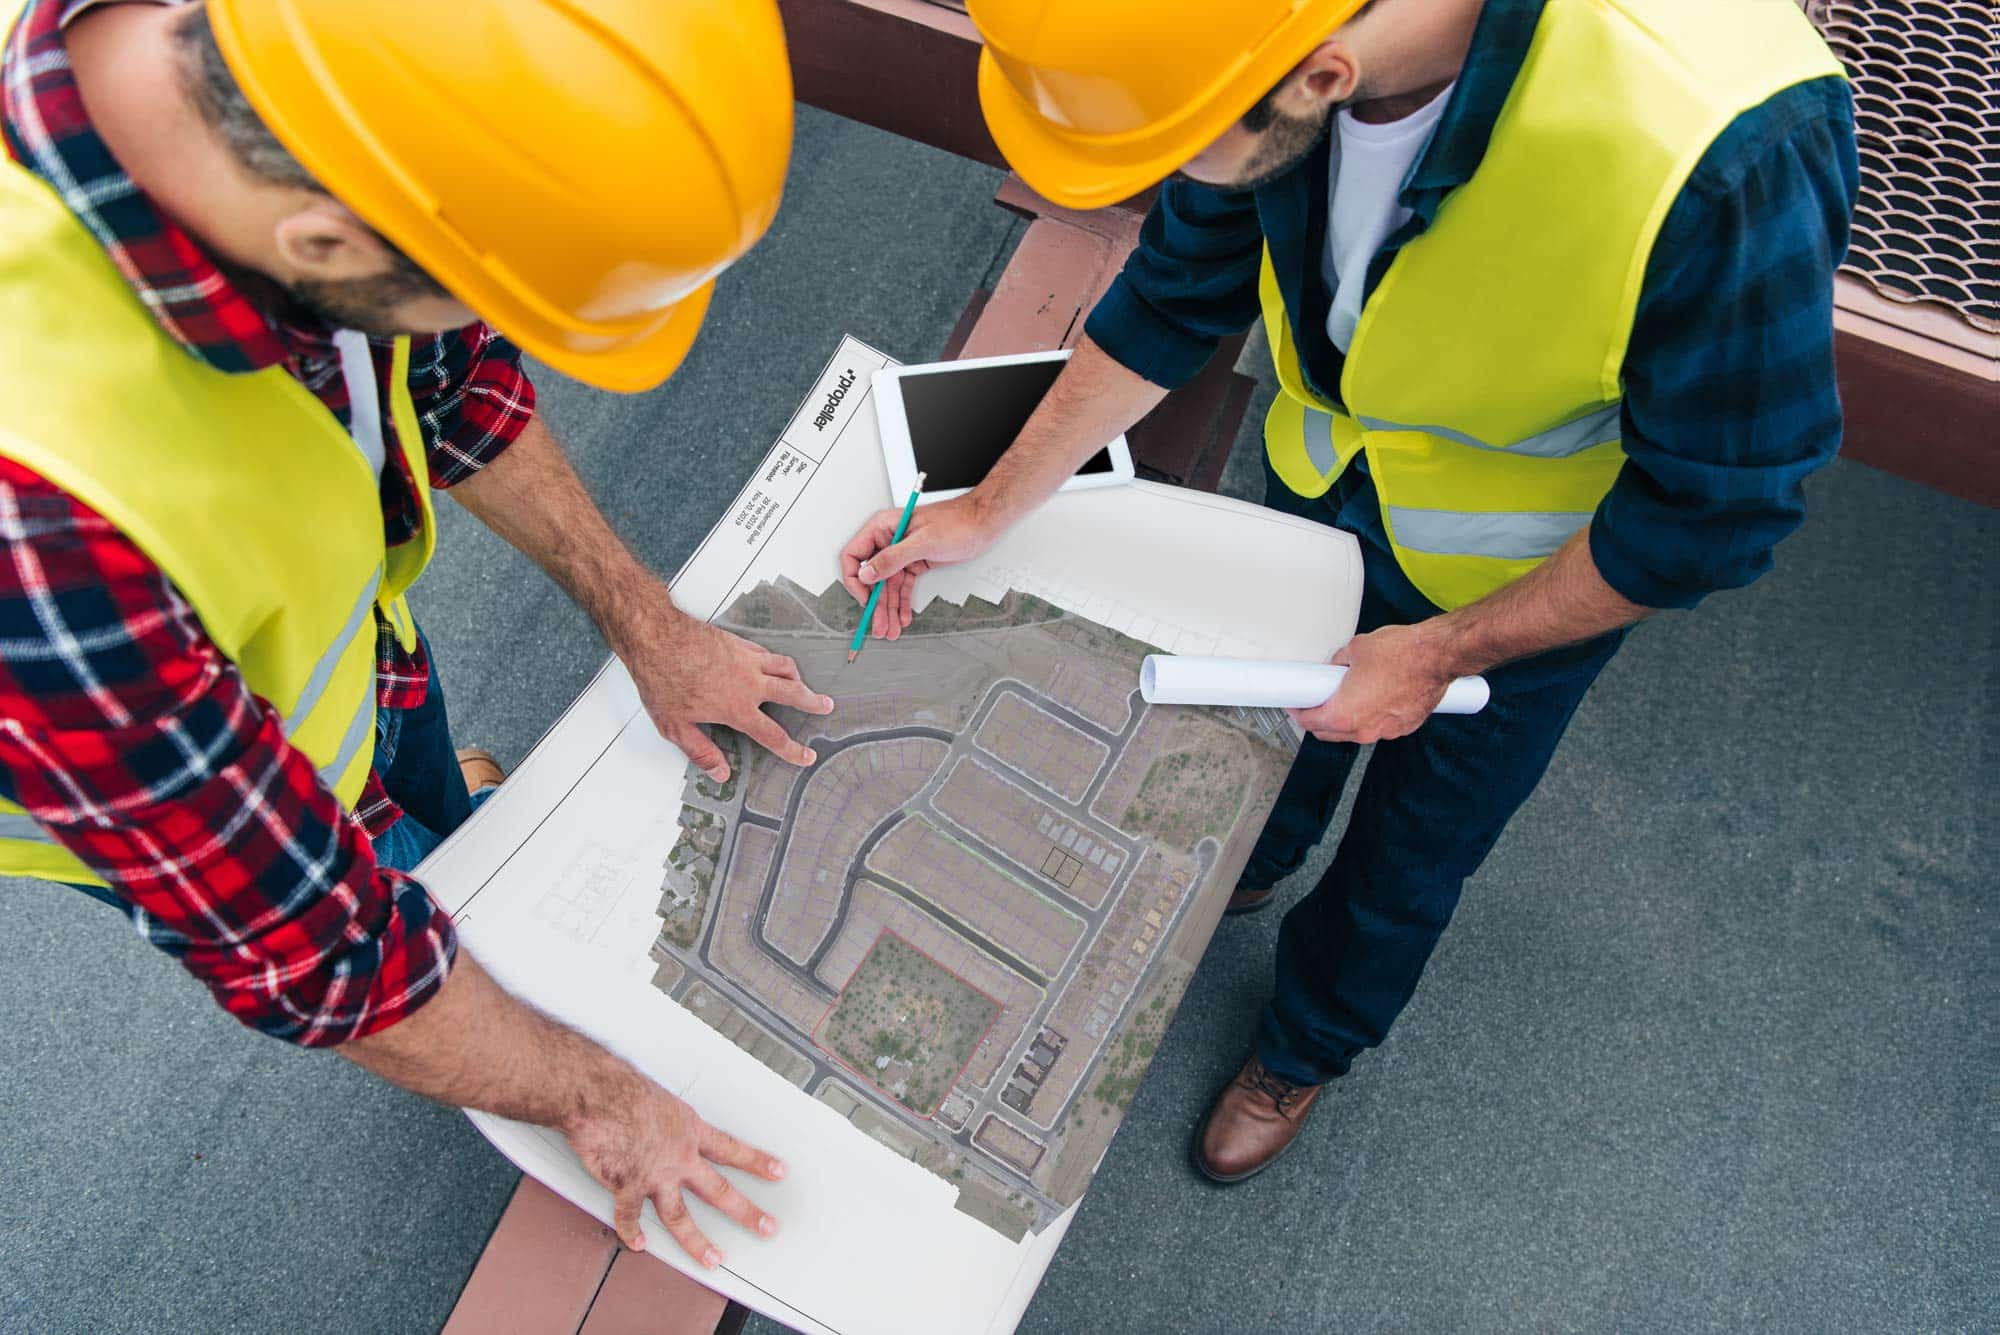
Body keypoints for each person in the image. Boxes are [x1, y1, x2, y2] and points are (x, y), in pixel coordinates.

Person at [841, 0, 1856, 1183]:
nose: (1179, 180)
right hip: (1328, 473)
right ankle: (1254, 858)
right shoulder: (1255, 47)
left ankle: (1305, 1045)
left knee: (1414, 846)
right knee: (1276, 722)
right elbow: (1178, 290)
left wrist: (1435, 655)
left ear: (1319, 75)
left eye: (1184, 152)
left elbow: (1714, 511)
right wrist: (987, 503)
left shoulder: (1724, 144)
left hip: (1522, 572)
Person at [0, 0, 828, 1266]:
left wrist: (646, 622)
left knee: (440, 819)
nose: (469, 333)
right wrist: (593, 1096)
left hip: (350, 654)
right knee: (403, 910)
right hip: (202, 782)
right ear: (320, 238)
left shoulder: (338, 93)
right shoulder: (38, 543)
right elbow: (313, 950)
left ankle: (452, 849)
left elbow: (444, 386)